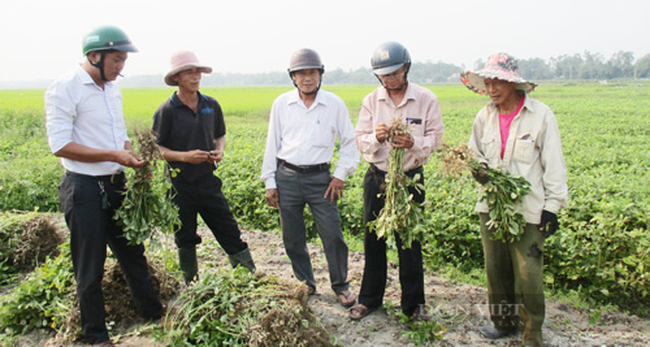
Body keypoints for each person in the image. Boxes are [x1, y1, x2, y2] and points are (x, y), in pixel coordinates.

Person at [45, 25, 163, 346]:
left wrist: (133, 158)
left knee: (132, 252)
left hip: (115, 183)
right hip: (82, 188)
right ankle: (96, 335)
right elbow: (60, 145)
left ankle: (153, 313)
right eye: (116, 60)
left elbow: (119, 135)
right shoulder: (65, 88)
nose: (121, 66)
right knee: (90, 263)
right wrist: (112, 154)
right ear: (94, 56)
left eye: (124, 60)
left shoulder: (112, 88)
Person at [462, 53, 568, 347]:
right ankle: (503, 323)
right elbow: (475, 154)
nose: (492, 88)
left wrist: (552, 208)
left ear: (513, 83)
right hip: (492, 208)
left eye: (498, 82)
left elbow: (554, 164)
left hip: (528, 210)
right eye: (488, 82)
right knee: (496, 271)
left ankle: (532, 333)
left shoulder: (540, 115)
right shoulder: (484, 116)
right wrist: (479, 171)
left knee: (528, 274)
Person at [349, 42, 444, 321]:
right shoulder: (371, 101)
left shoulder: (426, 99)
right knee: (373, 239)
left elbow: (436, 138)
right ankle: (369, 299)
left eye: (394, 72)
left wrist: (414, 142)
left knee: (410, 241)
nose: (389, 79)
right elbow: (360, 140)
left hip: (410, 180)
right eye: (383, 75)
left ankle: (413, 305)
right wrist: (376, 138)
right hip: (377, 177)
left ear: (406, 68)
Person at [260, 48, 359, 307]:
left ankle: (340, 285)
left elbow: (350, 142)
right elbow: (272, 144)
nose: (307, 78)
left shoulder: (334, 104)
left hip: (321, 180)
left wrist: (339, 176)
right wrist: (270, 182)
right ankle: (306, 283)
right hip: (287, 177)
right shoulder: (282, 104)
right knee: (292, 237)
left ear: (320, 75)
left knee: (333, 234)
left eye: (312, 72)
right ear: (293, 77)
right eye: (301, 73)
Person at [152, 50, 255, 284]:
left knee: (229, 230)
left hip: (208, 182)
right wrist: (184, 157)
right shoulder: (166, 111)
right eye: (189, 71)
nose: (195, 76)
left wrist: (220, 150)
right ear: (176, 77)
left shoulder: (211, 105)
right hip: (179, 186)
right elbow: (156, 149)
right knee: (185, 237)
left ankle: (249, 281)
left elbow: (220, 135)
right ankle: (191, 285)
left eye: (197, 71)